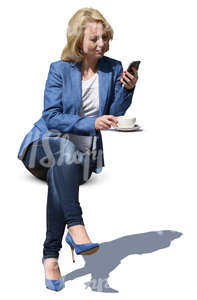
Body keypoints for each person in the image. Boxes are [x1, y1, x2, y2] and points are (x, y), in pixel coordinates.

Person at [17, 7, 138, 291]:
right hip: (42, 148)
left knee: (66, 168)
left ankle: (50, 255)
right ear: (78, 41)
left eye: (105, 38)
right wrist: (90, 122)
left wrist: (128, 90)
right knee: (64, 152)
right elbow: (52, 117)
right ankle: (75, 227)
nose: (101, 44)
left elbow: (113, 114)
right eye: (95, 39)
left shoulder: (112, 67)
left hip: (80, 158)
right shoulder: (59, 70)